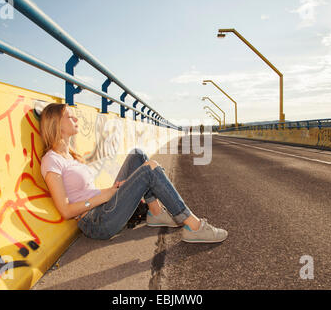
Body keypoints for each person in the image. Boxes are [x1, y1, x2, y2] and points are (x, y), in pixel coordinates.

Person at [39, 103, 228, 243]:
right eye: (70, 117)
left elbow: (86, 191)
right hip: (96, 221)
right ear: (56, 124)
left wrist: (109, 190)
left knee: (137, 155)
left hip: (103, 205)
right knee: (150, 169)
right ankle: (194, 227)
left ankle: (155, 213)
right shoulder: (51, 160)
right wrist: (107, 195)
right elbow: (65, 211)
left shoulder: (72, 156)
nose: (76, 119)